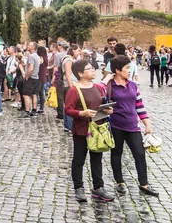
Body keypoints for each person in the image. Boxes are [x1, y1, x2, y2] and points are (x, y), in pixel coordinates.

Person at [103, 56, 159, 197]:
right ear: (117, 70)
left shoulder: (133, 85)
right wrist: (106, 79)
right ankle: (120, 182)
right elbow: (100, 100)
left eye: (130, 67)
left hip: (133, 126)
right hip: (115, 126)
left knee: (140, 154)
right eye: (127, 68)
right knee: (116, 154)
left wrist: (147, 124)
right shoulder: (109, 86)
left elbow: (139, 106)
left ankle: (144, 183)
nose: (130, 70)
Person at [64, 59, 114, 203]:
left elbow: (102, 103)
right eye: (90, 69)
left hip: (98, 128)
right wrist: (82, 113)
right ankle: (78, 188)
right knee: (79, 159)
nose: (93, 70)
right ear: (80, 73)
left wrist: (107, 110)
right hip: (81, 130)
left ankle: (98, 188)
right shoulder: (74, 90)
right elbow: (68, 110)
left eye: (93, 68)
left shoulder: (98, 87)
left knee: (97, 159)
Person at [53, 41, 69, 120]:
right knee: (67, 96)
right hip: (68, 77)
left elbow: (55, 67)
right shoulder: (68, 54)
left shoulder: (58, 55)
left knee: (60, 96)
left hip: (60, 77)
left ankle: (60, 113)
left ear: (60, 46)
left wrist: (53, 78)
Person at [37, 45, 49, 114]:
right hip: (43, 77)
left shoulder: (41, 58)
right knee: (41, 93)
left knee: (40, 93)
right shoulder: (45, 58)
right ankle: (41, 107)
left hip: (39, 77)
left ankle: (41, 107)